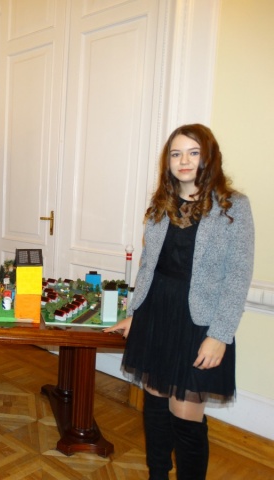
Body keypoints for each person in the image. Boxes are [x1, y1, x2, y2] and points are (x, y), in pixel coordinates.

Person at [104, 124, 254, 480]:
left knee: (186, 418)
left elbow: (237, 276)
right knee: (155, 409)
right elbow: (149, 266)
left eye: (193, 152)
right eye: (176, 153)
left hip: (199, 323)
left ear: (208, 157)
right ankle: (157, 474)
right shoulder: (162, 204)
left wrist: (220, 335)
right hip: (157, 314)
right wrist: (136, 314)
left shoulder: (233, 206)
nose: (183, 160)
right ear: (168, 161)